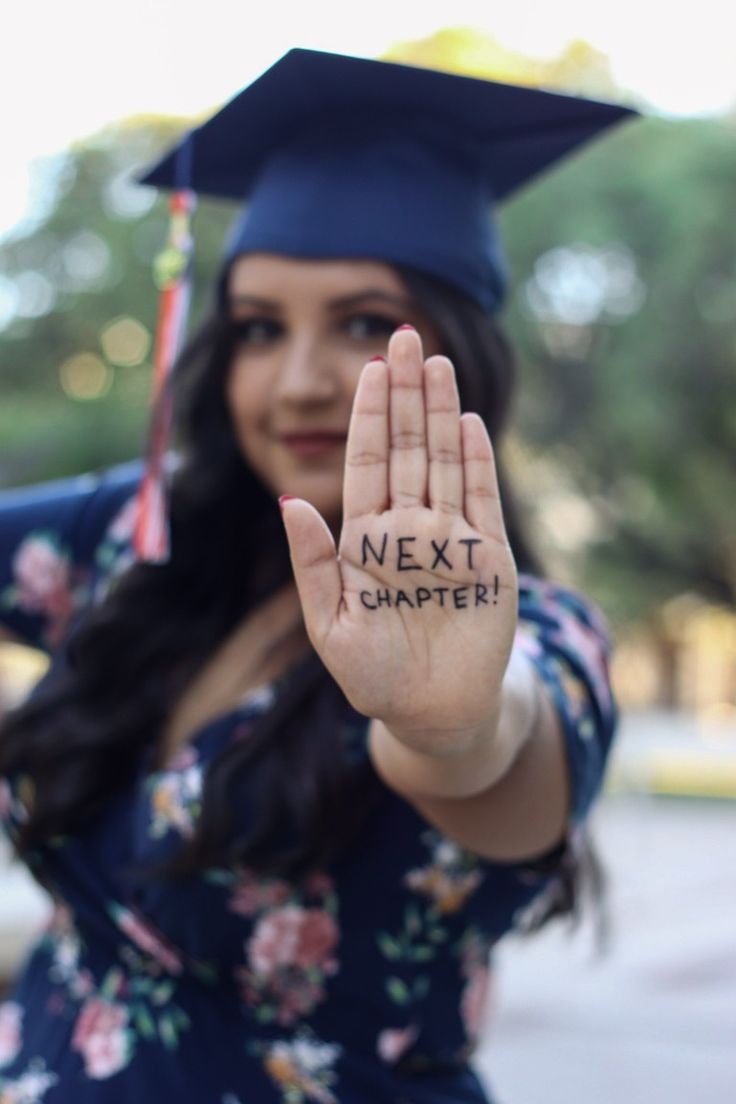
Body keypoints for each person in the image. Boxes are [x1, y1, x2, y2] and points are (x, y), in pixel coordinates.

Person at [0, 49, 632, 1104]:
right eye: (257, 328)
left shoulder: (538, 635)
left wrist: (450, 728)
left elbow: (501, 756)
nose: (297, 382)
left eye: (363, 324)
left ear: (460, 353)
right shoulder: (140, 543)